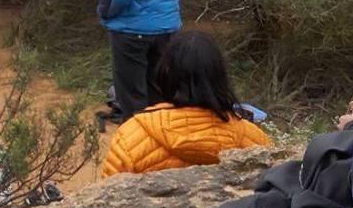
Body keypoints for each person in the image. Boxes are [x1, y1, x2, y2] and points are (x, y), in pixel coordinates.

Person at [99, 29, 272, 176]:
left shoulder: (130, 137)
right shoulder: (253, 139)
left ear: (165, 73)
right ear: (220, 78)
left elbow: (104, 202)